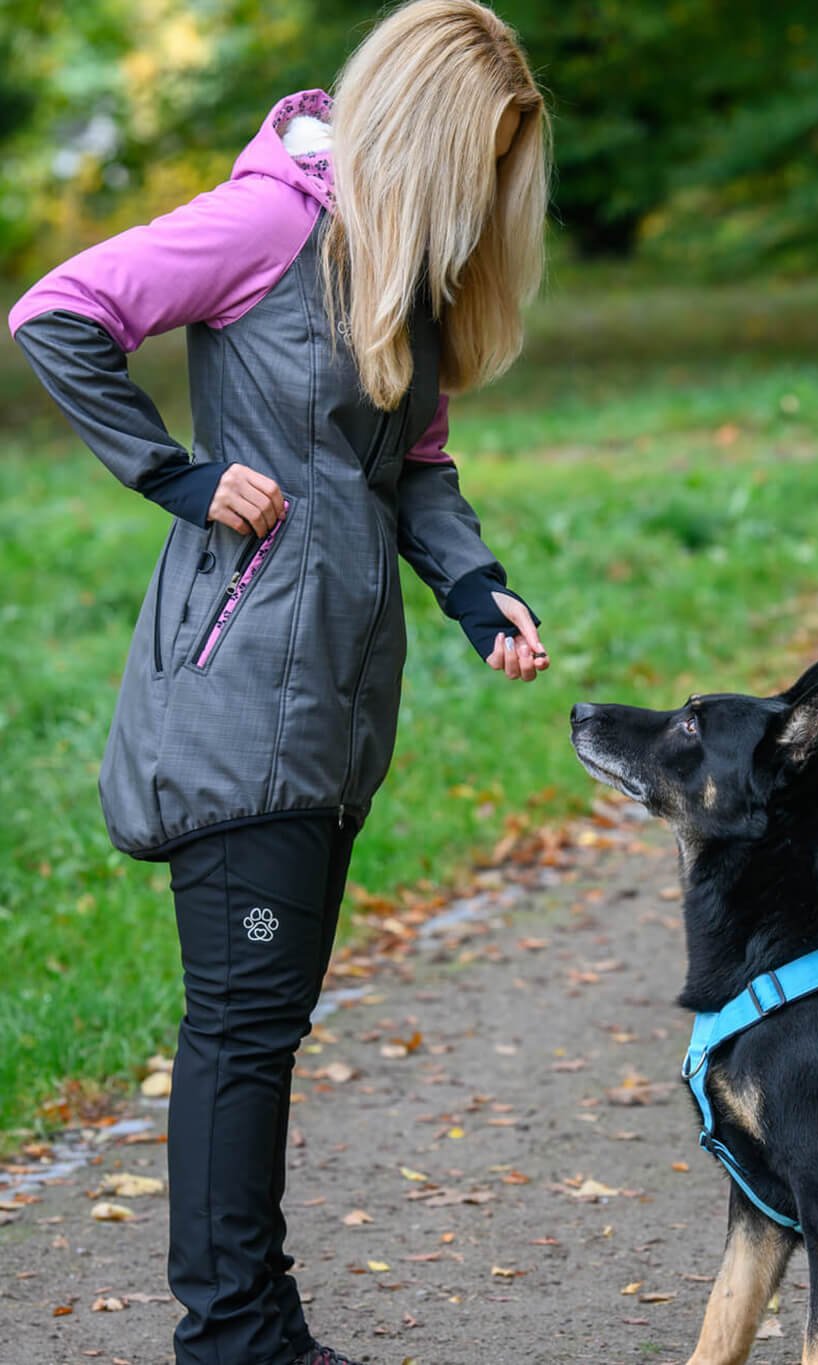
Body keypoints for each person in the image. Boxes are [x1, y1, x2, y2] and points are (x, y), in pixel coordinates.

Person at [8, 3, 550, 1362]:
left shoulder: (399, 274)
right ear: (424, 138)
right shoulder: (265, 224)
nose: (484, 203)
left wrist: (478, 591)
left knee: (268, 1027)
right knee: (242, 1029)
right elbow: (58, 312)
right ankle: (236, 1336)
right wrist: (180, 477)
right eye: (477, 166)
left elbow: (414, 468)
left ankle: (260, 1328)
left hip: (336, 708)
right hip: (240, 689)